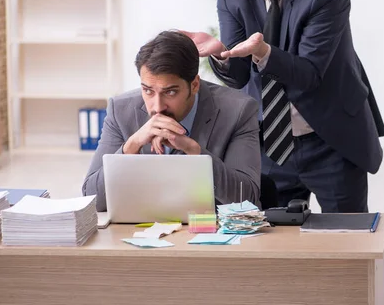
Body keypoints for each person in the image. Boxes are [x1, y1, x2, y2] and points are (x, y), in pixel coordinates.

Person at [182, 0, 384, 213]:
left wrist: (263, 52)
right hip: (271, 143)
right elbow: (238, 76)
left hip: (330, 138)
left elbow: (309, 74)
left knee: (346, 242)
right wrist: (220, 52)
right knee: (274, 245)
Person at [82, 30, 261, 212]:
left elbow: (247, 200)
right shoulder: (121, 111)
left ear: (194, 85)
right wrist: (132, 146)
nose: (157, 107)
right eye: (148, 91)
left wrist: (196, 153)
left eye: (170, 92)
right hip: (137, 233)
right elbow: (91, 199)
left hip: (207, 234)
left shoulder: (238, 111)